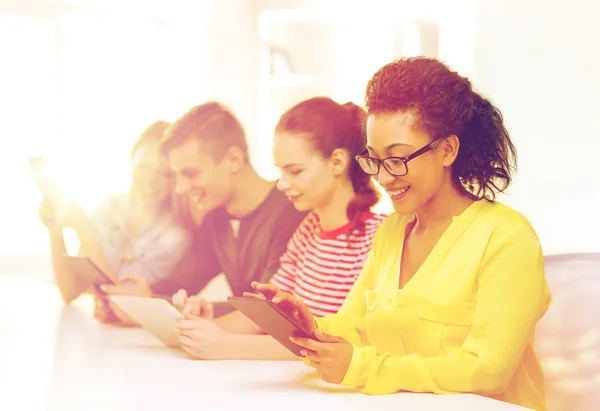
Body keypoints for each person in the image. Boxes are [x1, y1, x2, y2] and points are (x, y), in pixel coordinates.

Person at [247, 57, 552, 411]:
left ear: (447, 149)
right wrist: (309, 326)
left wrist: (364, 368)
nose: (384, 177)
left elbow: (488, 370)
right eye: (374, 159)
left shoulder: (507, 238)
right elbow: (354, 326)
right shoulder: (393, 231)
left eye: (398, 158)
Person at [174, 97, 387, 360]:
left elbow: (340, 343)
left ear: (337, 163)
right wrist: (201, 331)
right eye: (281, 171)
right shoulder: (308, 230)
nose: (282, 184)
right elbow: (265, 315)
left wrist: (226, 346)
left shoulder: (378, 239)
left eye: (295, 171)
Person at [100, 102, 306, 318]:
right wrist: (137, 301)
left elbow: (267, 311)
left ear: (233, 160)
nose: (179, 188)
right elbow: (180, 282)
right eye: (176, 175)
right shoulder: (217, 219)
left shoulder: (292, 211)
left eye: (190, 174)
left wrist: (153, 305)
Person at [39, 121, 192, 322]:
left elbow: (123, 299)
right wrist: (55, 228)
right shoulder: (108, 207)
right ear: (132, 163)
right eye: (143, 168)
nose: (150, 181)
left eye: (163, 174)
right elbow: (70, 291)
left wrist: (84, 231)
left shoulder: (176, 234)